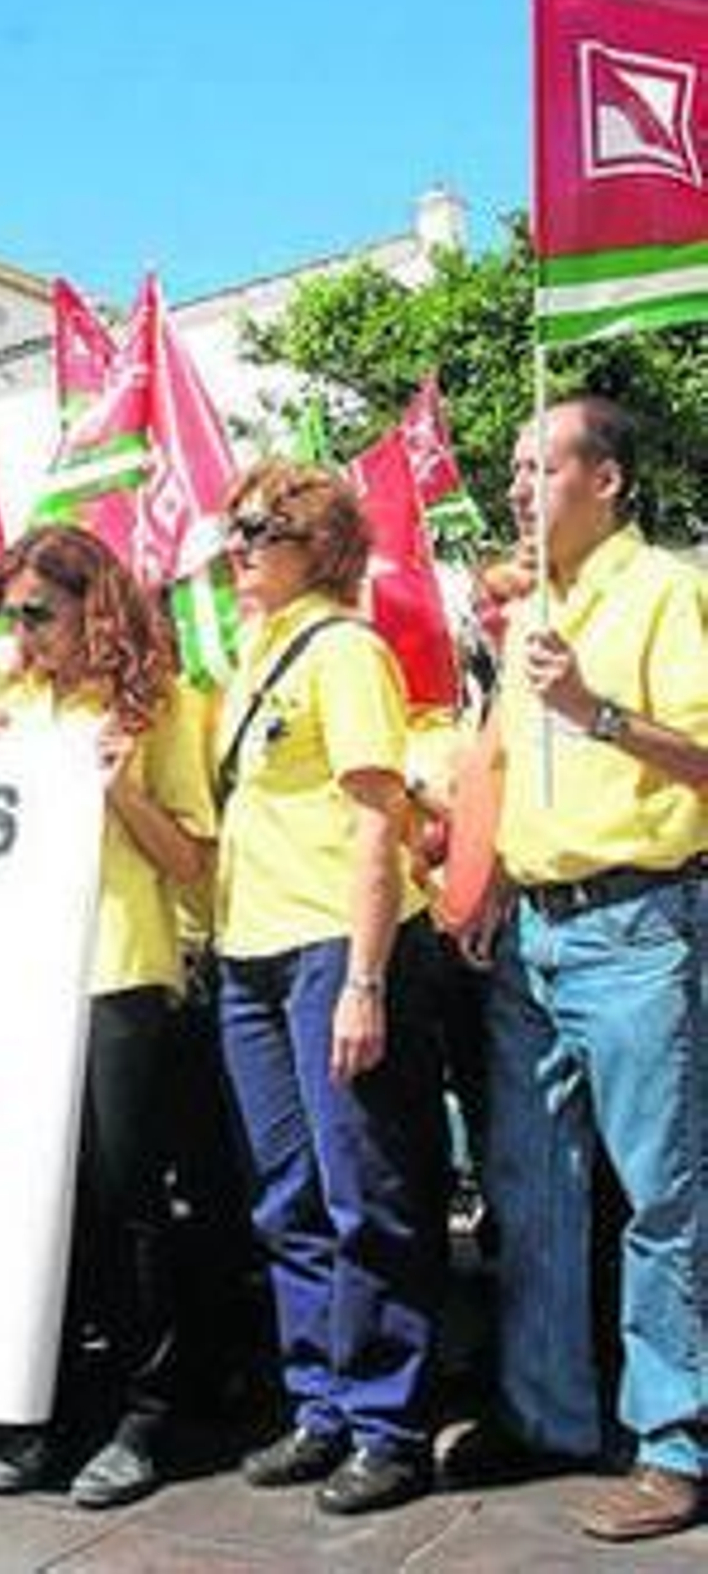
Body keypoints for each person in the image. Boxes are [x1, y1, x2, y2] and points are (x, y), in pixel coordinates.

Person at [452, 396, 708, 1545]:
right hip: (536, 937)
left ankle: (676, 1444)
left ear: (603, 478)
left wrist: (592, 708)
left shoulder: (663, 590)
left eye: (535, 465)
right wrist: (492, 874)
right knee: (531, 1185)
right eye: (510, 466)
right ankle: (547, 1412)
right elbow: (513, 761)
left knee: (663, 1193)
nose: (513, 486)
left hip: (639, 923)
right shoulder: (532, 611)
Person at [212, 461, 447, 1517]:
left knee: (366, 1192)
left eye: (257, 527)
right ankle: (319, 1401)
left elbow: (372, 816)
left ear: (317, 543)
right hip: (247, 951)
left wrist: (364, 978)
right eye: (233, 527)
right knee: (285, 1194)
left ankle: (386, 1423)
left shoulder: (344, 649)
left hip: (324, 945)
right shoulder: (247, 654)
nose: (236, 544)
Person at [0, 525, 218, 1510]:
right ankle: (53, 1402)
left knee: (127, 1195)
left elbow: (193, 860)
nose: (24, 631)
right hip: (26, 978)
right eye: (10, 615)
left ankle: (146, 1409)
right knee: (45, 1198)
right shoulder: (12, 705)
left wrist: (117, 788)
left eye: (39, 610)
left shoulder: (162, 708)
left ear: (94, 604)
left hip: (119, 969)